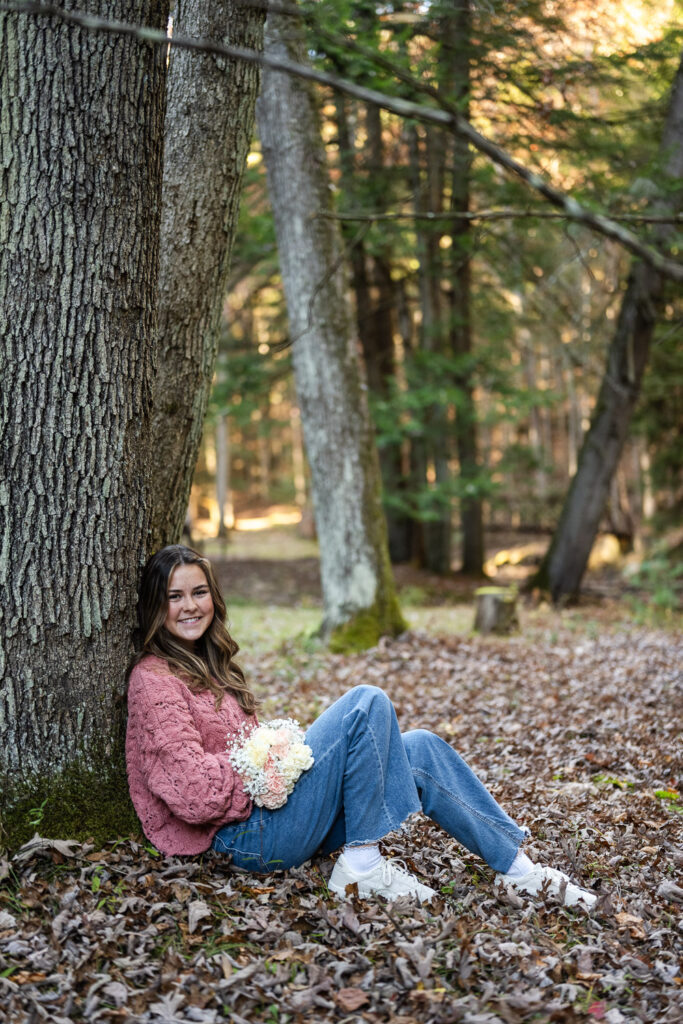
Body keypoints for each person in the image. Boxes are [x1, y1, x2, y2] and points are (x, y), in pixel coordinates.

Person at [126, 545, 597, 908]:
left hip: (273, 816)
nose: (189, 606)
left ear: (214, 597)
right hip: (241, 840)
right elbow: (191, 792)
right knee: (364, 704)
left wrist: (276, 760)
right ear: (156, 607)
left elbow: (249, 751)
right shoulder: (154, 680)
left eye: (199, 592)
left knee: (420, 748)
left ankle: (520, 869)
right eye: (174, 596)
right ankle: (361, 864)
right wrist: (268, 769)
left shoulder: (214, 667)